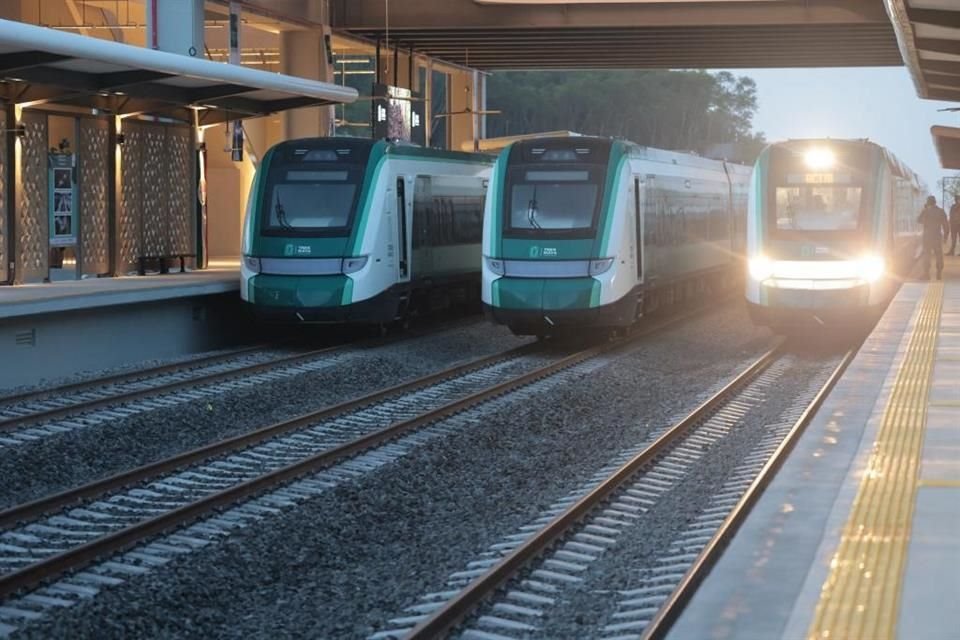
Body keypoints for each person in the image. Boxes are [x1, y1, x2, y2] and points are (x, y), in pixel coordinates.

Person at [917, 196, 950, 280]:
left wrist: (924, 209)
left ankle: (926, 274)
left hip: (927, 237)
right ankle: (939, 273)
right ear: (935, 202)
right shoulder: (941, 211)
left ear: (928, 203)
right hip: (937, 237)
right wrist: (945, 236)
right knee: (939, 255)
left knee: (927, 255)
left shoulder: (926, 211)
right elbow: (946, 225)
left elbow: (919, 220)